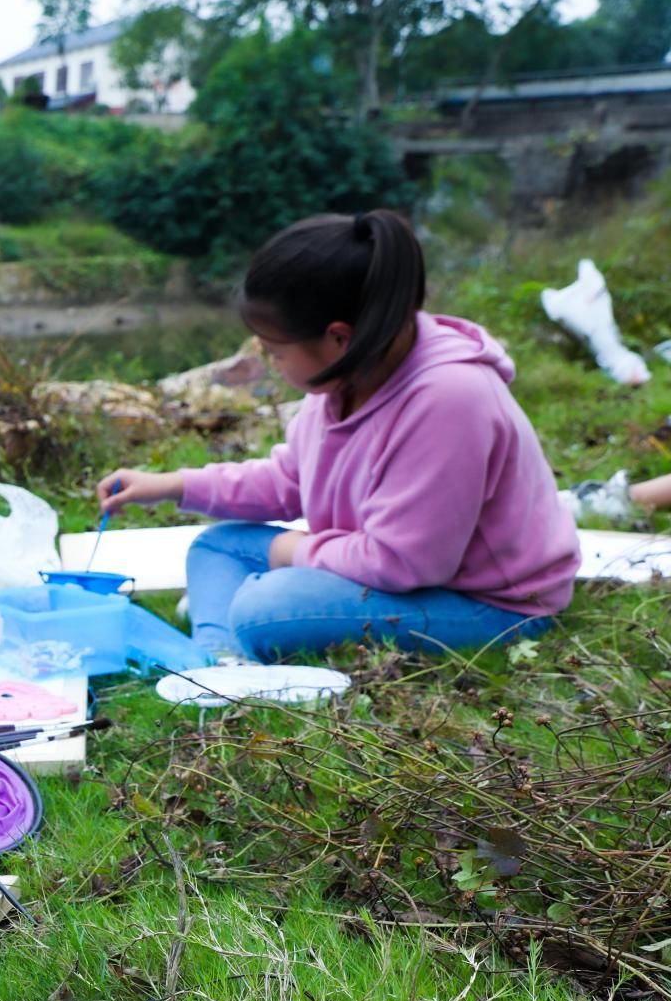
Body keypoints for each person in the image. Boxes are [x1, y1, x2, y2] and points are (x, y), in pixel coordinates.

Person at [99, 210, 579, 662]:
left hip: (488, 602)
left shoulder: (451, 399)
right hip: (391, 570)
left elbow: (404, 563)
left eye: (276, 352)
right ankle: (219, 662)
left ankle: (229, 634)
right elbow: (291, 480)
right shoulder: (348, 374)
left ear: (338, 338)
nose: (273, 364)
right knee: (216, 547)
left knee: (262, 610)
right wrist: (176, 485)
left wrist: (291, 553)